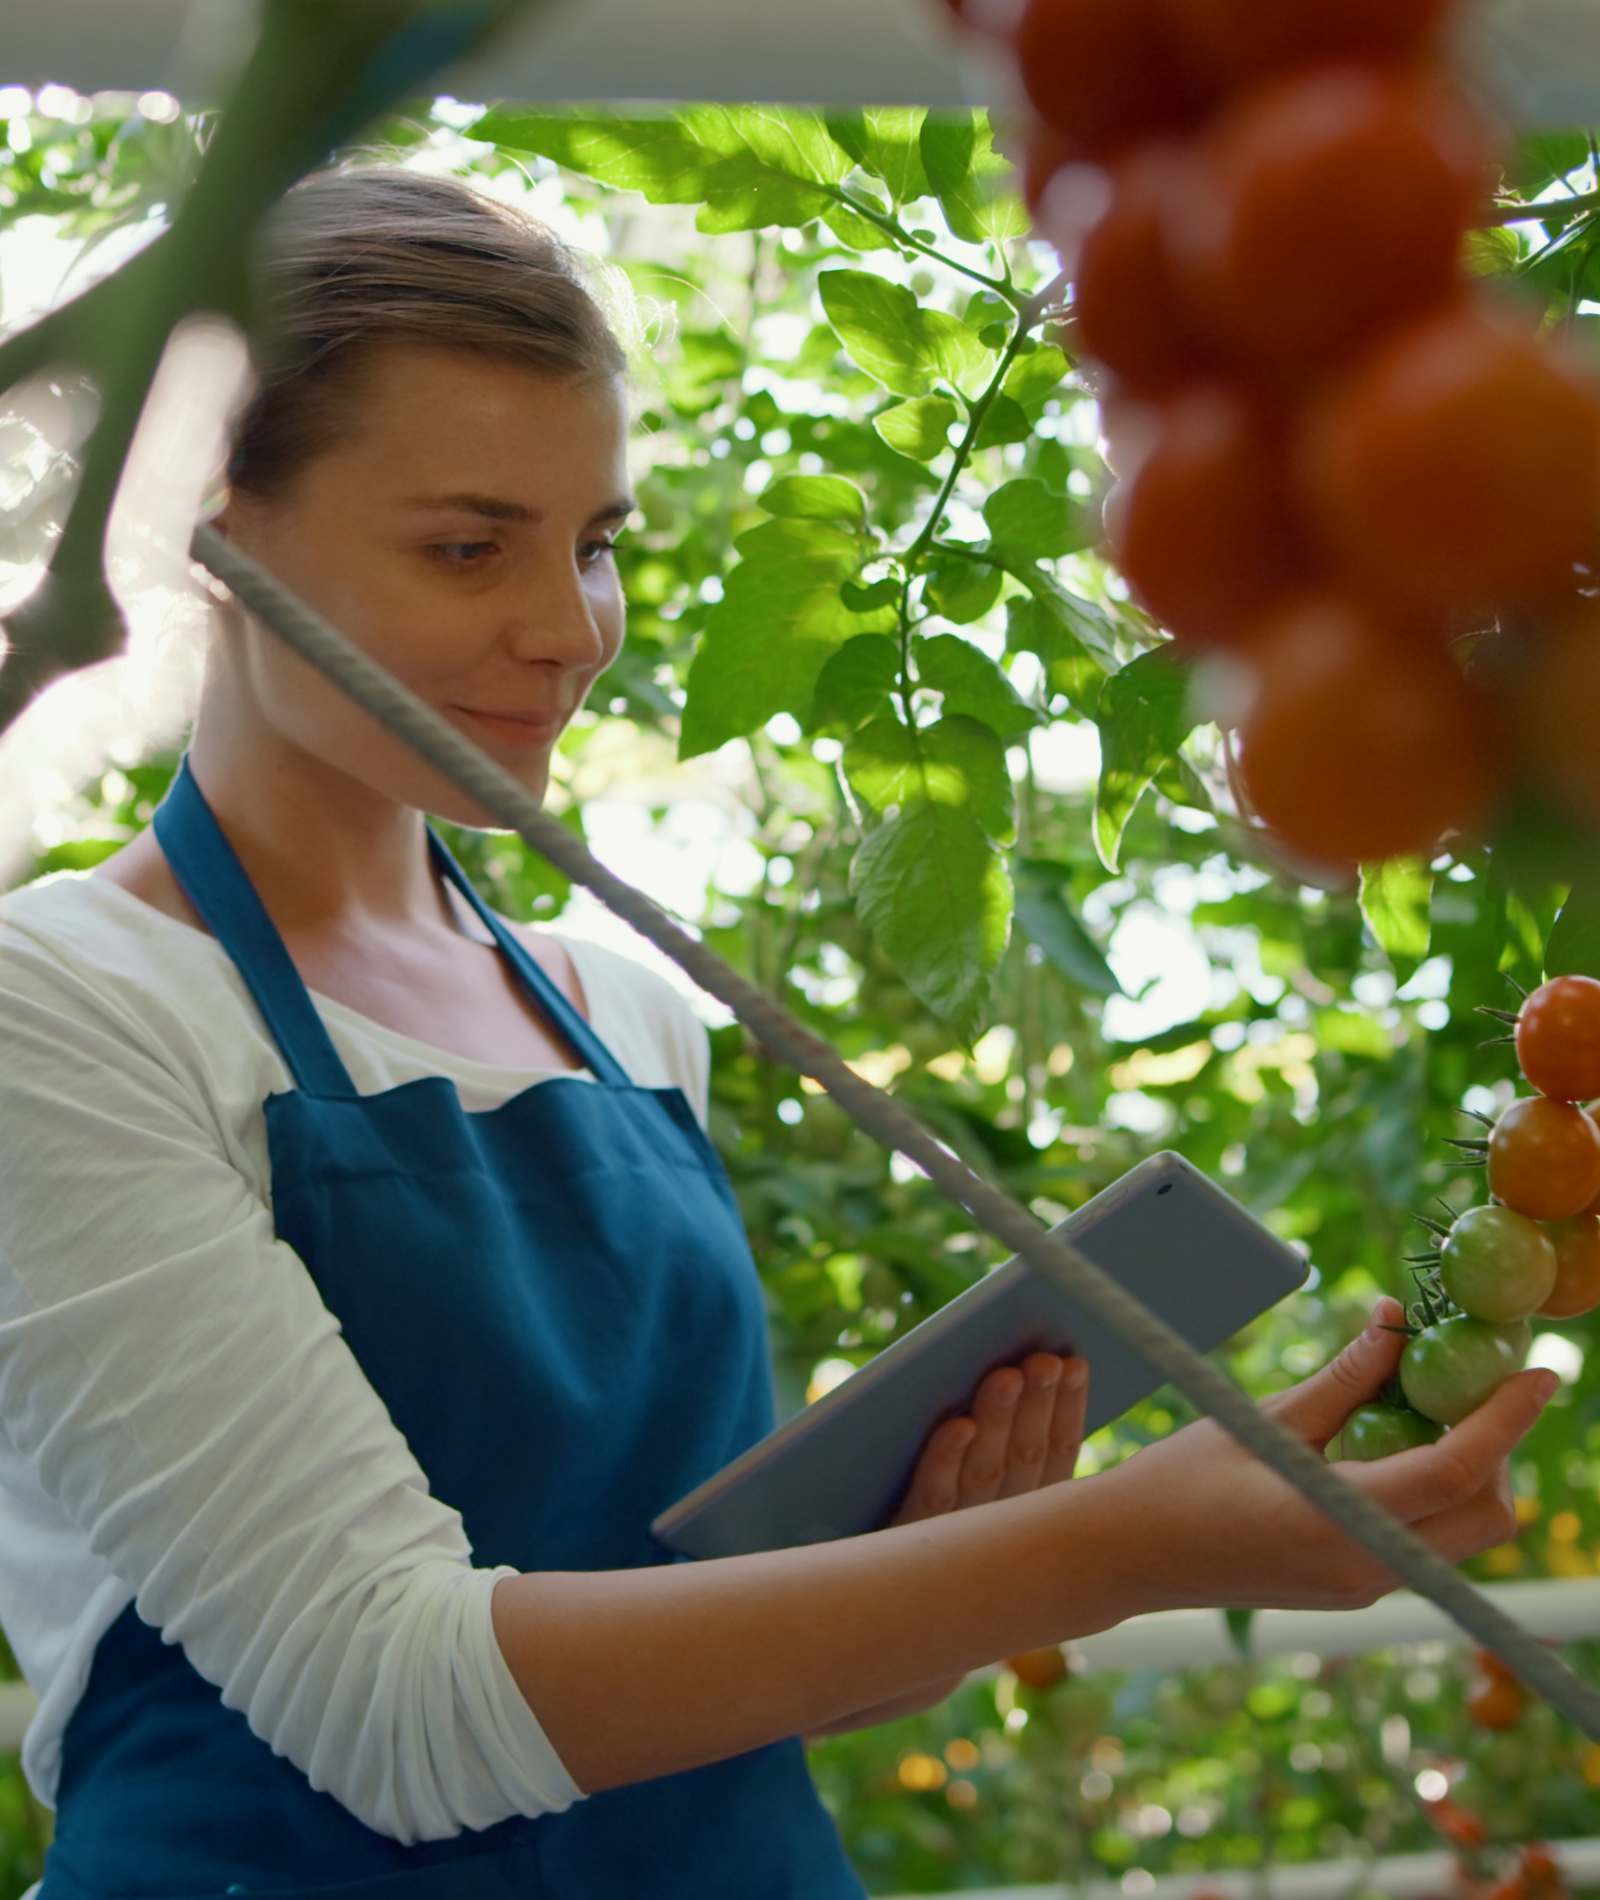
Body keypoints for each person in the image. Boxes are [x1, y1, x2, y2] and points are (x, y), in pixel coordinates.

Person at [0, 168, 1555, 1900]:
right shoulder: (58, 1009)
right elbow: (393, 1707)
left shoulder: (630, 1013)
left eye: (596, 543)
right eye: (468, 545)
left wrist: (952, 1562)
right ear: (216, 528)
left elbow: (774, 1677)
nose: (570, 629)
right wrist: (1109, 1549)